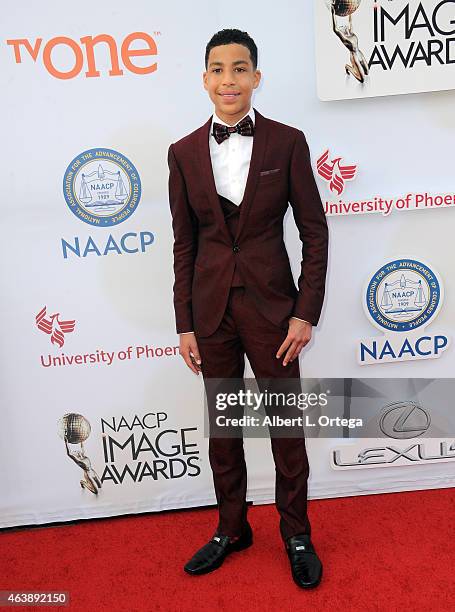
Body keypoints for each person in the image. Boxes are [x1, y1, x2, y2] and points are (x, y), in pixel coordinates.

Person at [167, 28, 328, 589]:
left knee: (286, 427)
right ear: (204, 79)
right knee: (224, 428)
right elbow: (184, 244)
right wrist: (183, 321)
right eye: (218, 69)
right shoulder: (183, 152)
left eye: (240, 69)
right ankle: (232, 528)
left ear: (256, 78)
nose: (228, 79)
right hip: (210, 313)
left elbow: (314, 231)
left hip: (273, 312)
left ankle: (297, 532)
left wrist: (305, 312)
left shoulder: (287, 142)